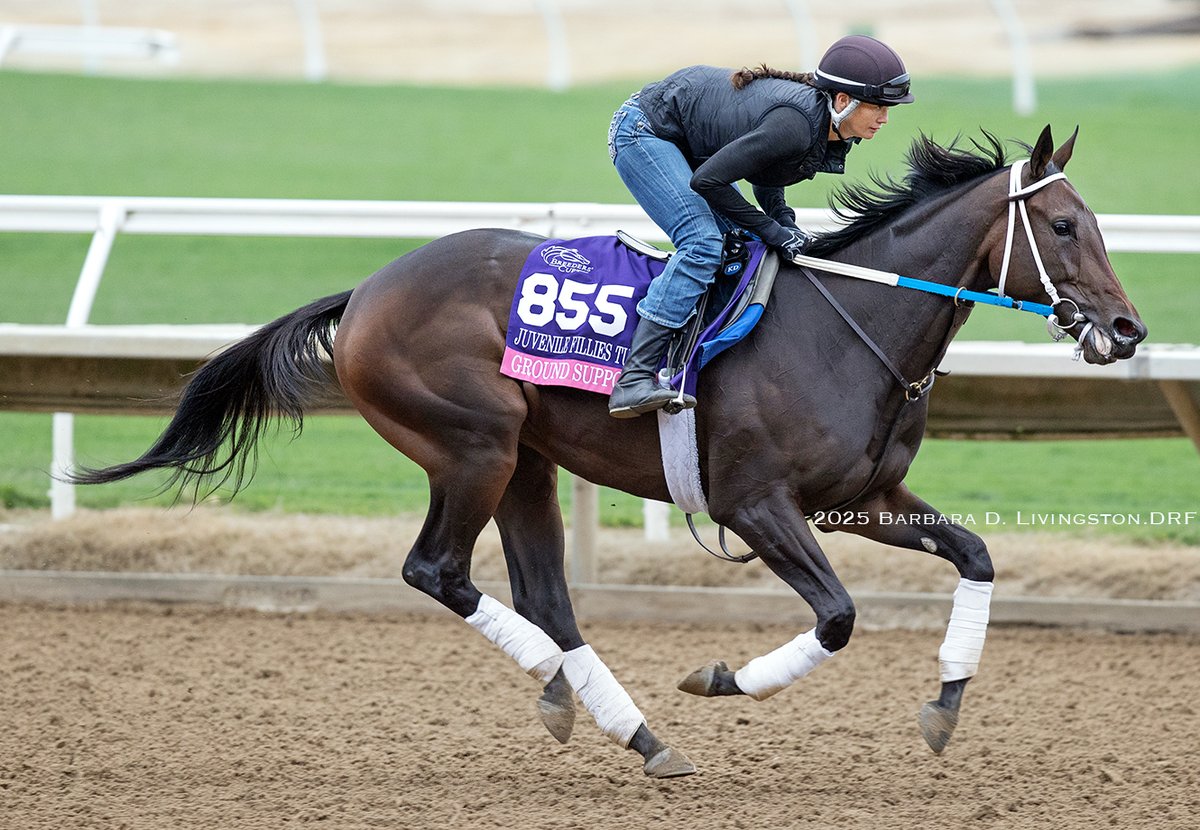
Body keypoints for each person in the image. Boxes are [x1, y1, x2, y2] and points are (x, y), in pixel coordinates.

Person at [605, 34, 915, 418]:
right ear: (842, 101)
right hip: (647, 131)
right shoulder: (797, 124)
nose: (885, 118)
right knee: (703, 244)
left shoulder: (820, 122)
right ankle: (634, 378)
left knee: (744, 241)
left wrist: (784, 225)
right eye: (879, 107)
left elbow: (766, 171)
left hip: (696, 143)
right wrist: (775, 232)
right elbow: (708, 181)